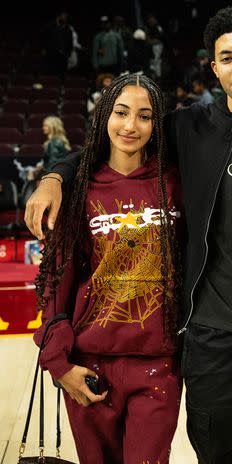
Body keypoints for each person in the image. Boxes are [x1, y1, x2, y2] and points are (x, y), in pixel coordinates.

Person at [25, 5, 232, 464]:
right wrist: (55, 176)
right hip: (212, 341)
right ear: (213, 67)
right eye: (227, 57)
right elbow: (113, 141)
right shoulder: (189, 128)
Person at [32, 74, 183, 464]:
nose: (131, 126)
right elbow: (56, 279)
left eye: (145, 116)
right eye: (121, 113)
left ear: (157, 124)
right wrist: (59, 364)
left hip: (158, 365)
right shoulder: (79, 187)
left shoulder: (176, 182)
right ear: (104, 116)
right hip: (88, 364)